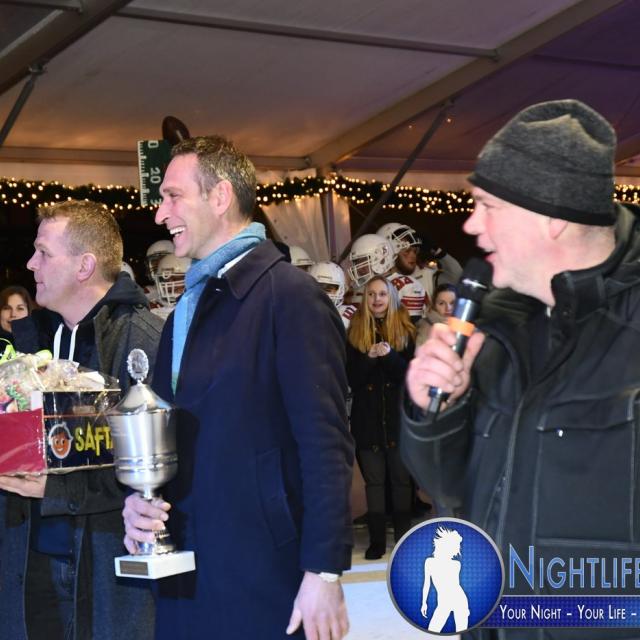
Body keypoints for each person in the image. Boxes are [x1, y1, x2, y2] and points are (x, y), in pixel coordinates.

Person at [401, 99, 640, 639]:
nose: (471, 225)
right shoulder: (494, 329)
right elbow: (445, 488)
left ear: (553, 216)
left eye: (487, 206)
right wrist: (435, 410)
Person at [122, 135, 354, 640]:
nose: (160, 213)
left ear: (220, 196)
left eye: (173, 196)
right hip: (187, 573)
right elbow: (170, 436)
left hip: (264, 579)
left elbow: (326, 444)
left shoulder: (291, 297)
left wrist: (324, 570)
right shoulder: (185, 309)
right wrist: (140, 502)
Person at [0, 199, 163, 640]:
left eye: (43, 252)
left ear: (84, 266)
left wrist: (56, 489)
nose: (30, 263)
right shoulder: (29, 343)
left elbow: (154, 477)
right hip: (30, 565)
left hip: (105, 573)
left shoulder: (143, 343)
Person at [347, 275, 415, 560]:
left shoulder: (407, 330)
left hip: (399, 421)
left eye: (382, 294)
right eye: (371, 294)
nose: (376, 299)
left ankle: (404, 539)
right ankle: (376, 541)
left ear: (391, 298)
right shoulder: (354, 332)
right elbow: (351, 379)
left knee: (401, 481)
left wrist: (388, 357)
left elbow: (410, 377)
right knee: (374, 483)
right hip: (367, 421)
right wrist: (369, 358)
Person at [0, 285, 35, 350]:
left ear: (29, 312)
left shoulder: (43, 342)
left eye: (20, 308)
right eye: (7, 308)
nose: (13, 314)